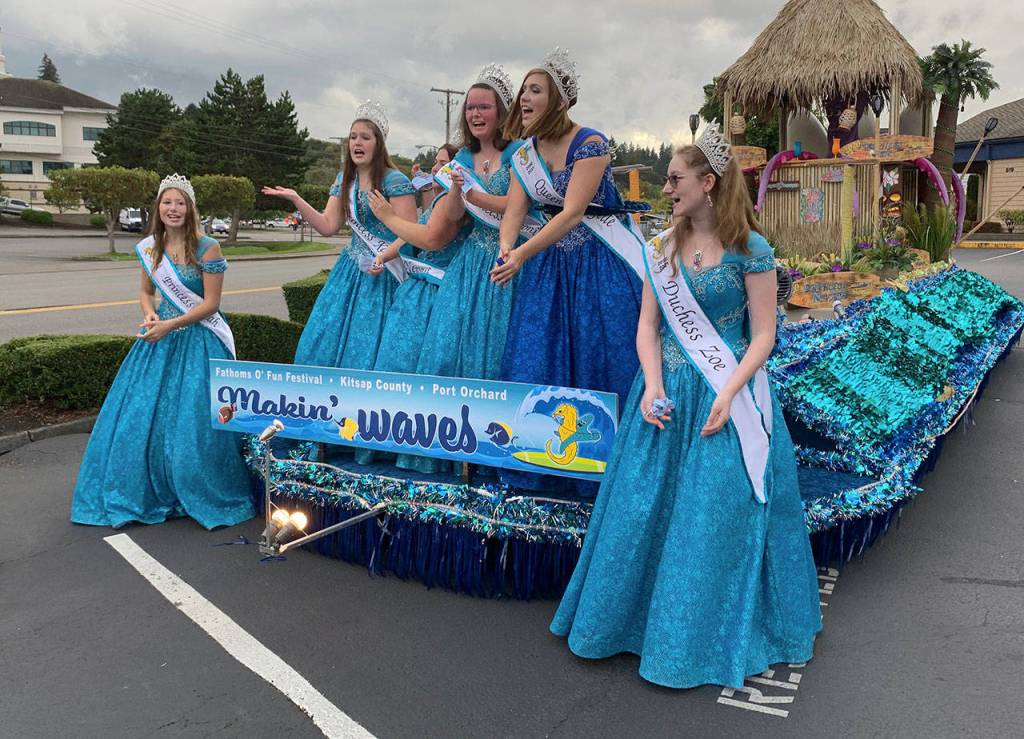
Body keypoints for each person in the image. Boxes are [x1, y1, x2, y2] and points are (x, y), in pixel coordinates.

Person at [549, 124, 822, 689]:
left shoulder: (752, 248)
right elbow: (647, 328)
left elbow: (765, 335)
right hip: (666, 396)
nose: (666, 188)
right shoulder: (664, 248)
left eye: (675, 179)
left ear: (709, 182)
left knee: (713, 516)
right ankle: (628, 625)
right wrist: (651, 386)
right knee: (644, 511)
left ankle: (696, 638)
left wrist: (730, 390)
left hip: (729, 394)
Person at [491, 49, 648, 495]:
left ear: (558, 100)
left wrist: (522, 255)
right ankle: (540, 462)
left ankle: (613, 464)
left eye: (534, 90)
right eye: (523, 90)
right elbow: (516, 212)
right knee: (538, 350)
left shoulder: (591, 143)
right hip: (549, 266)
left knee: (603, 351)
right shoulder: (525, 154)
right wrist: (506, 247)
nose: (523, 97)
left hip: (599, 264)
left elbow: (574, 212)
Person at [71, 175, 254, 529]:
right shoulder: (149, 248)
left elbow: (212, 305)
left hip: (199, 339)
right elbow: (145, 291)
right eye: (167, 202)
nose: (173, 209)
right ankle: (148, 486)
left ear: (190, 208)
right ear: (158, 207)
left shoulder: (207, 247)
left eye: (180, 203)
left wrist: (171, 325)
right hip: (160, 339)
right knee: (141, 416)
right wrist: (150, 313)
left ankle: (195, 486)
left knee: (195, 419)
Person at [369, 64, 522, 474]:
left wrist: (476, 193)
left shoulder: (518, 152)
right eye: (470, 108)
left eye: (484, 107)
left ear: (501, 111)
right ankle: (449, 453)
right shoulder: (465, 157)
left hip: (508, 259)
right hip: (470, 262)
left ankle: (493, 457)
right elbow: (452, 216)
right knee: (450, 349)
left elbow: (522, 205)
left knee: (497, 349)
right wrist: (457, 187)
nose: (475, 114)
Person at [262, 100, 417, 370]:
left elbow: (412, 233)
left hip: (385, 273)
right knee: (323, 339)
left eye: (365, 137)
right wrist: (296, 199)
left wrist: (385, 255)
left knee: (373, 345)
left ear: (378, 144)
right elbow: (327, 226)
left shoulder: (395, 181)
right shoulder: (344, 180)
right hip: (349, 271)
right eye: (353, 137)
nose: (357, 142)